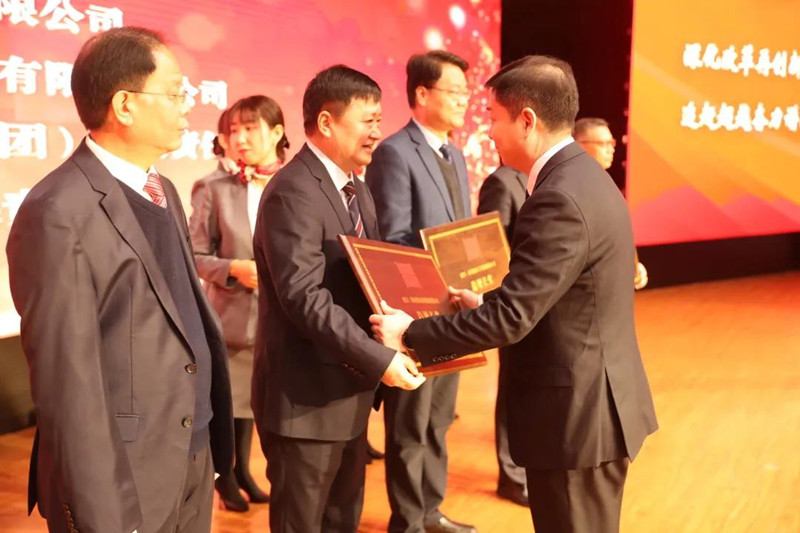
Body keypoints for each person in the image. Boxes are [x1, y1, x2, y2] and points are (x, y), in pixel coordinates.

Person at [370, 55, 658, 533]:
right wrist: (485, 304)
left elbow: (513, 317)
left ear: (527, 120)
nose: (488, 132)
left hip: (577, 420)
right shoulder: (584, 177)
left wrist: (410, 333)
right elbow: (548, 296)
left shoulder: (557, 196)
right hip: (594, 409)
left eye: (493, 117)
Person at [6, 27, 234, 533]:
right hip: (126, 472)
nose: (186, 106)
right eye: (174, 93)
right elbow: (68, 383)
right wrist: (104, 514)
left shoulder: (163, 188)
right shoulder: (57, 210)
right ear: (125, 105)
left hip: (190, 449)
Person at [251, 65, 426, 533]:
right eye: (368, 120)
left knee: (342, 520)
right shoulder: (293, 192)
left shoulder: (357, 189)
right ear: (326, 122)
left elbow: (370, 278)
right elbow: (303, 297)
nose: (377, 132)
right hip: (305, 402)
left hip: (349, 392)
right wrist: (379, 358)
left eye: (379, 120)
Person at [365, 50, 476, 533]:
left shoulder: (455, 154)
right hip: (416, 315)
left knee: (439, 419)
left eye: (466, 93)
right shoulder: (394, 152)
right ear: (423, 94)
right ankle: (408, 521)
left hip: (455, 310)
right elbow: (391, 241)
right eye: (455, 91)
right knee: (410, 422)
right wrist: (440, 267)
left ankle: (431, 512)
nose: (464, 101)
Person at [189, 95, 288, 511]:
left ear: (277, 132)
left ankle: (244, 471)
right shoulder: (212, 187)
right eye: (234, 131)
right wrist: (234, 268)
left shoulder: (288, 182)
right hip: (230, 318)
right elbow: (194, 255)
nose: (241, 139)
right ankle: (225, 477)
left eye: (251, 129)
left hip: (275, 318)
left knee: (251, 401)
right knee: (228, 403)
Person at [475, 165, 529, 507]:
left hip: (535, 304)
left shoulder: (537, 178)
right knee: (513, 390)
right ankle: (512, 476)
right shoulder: (501, 182)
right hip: (511, 304)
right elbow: (488, 251)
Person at [573, 117, 648, 289]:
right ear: (577, 145)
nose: (611, 149)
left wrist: (634, 266)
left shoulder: (607, 184)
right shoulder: (571, 188)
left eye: (611, 143)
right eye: (602, 144)